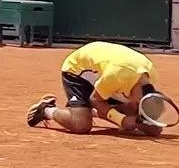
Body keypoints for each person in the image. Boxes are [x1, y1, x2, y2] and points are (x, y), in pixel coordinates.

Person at [26, 42, 168, 137]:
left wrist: (146, 120)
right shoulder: (117, 75)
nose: (138, 108)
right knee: (81, 125)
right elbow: (95, 99)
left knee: (152, 130)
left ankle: (90, 112)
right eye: (138, 105)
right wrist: (121, 120)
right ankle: (46, 110)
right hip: (78, 71)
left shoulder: (149, 78)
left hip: (106, 76)